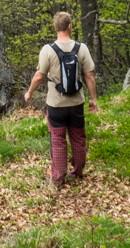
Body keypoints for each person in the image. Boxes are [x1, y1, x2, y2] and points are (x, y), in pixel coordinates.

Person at [23, 12, 99, 187]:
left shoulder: (47, 50)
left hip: (56, 104)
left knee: (57, 139)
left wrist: (29, 93)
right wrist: (93, 98)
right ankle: (78, 172)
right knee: (78, 137)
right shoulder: (82, 48)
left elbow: (38, 76)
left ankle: (58, 179)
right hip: (77, 102)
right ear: (70, 26)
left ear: (55, 28)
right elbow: (89, 76)